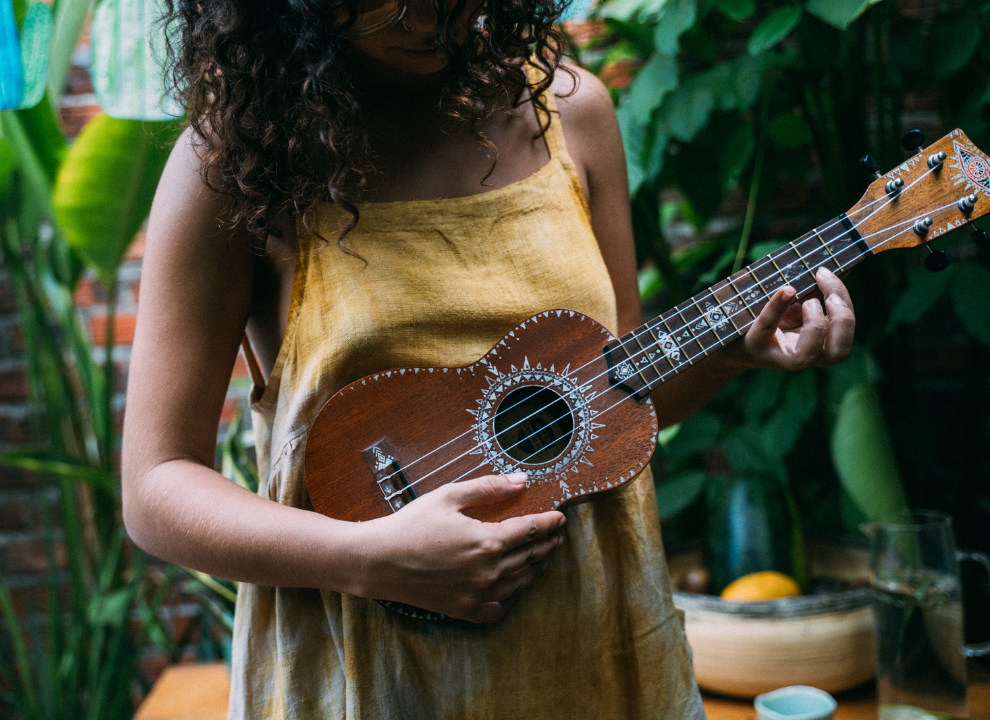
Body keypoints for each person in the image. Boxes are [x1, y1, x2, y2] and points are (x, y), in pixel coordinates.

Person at [121, 1, 857, 717]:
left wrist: (737, 352)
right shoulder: (239, 162)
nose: (437, 16)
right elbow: (156, 487)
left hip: (601, 658)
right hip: (374, 678)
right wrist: (370, 557)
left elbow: (614, 404)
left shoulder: (570, 114)